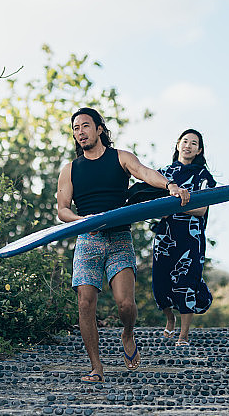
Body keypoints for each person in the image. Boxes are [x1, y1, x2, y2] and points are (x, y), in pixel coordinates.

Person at [57, 107, 191, 383]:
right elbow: (62, 210)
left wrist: (170, 186)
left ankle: (128, 333)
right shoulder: (70, 170)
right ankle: (96, 367)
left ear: (99, 129)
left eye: (85, 126)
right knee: (85, 303)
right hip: (88, 239)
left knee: (125, 304)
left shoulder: (120, 158)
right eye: (75, 128)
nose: (80, 132)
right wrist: (82, 220)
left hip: (119, 238)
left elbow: (144, 173)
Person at [152, 129, 216, 347]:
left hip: (190, 236)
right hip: (165, 235)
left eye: (194, 143)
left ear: (199, 150)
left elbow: (201, 209)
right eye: (185, 141)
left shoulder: (203, 175)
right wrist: (164, 209)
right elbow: (152, 204)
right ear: (177, 144)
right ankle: (170, 319)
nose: (188, 145)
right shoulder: (163, 174)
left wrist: (173, 205)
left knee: (187, 282)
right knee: (160, 282)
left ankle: (183, 334)